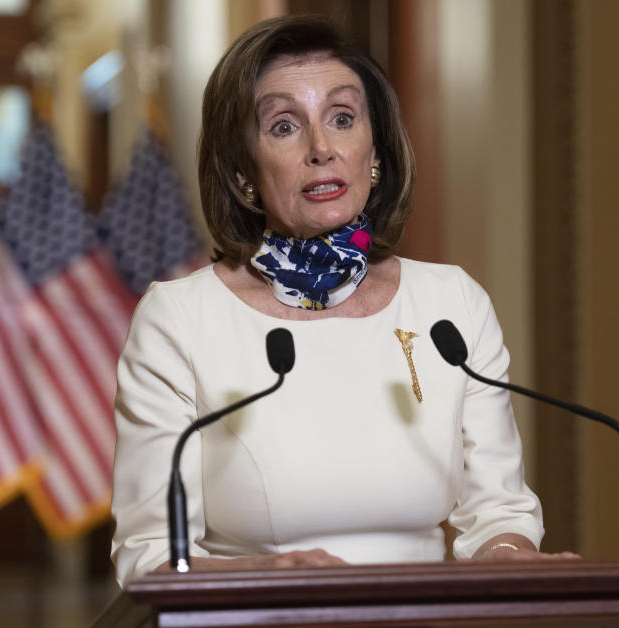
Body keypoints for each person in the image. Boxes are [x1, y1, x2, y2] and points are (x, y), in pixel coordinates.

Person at [111, 15, 570, 587]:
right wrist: (274, 575)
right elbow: (149, 555)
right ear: (240, 170)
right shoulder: (178, 319)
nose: (321, 148)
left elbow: (498, 511)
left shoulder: (451, 305)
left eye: (343, 118)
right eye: (283, 126)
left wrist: (507, 551)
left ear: (373, 152)